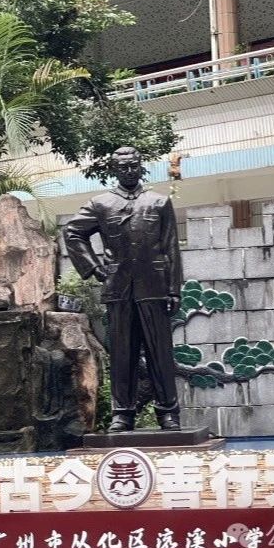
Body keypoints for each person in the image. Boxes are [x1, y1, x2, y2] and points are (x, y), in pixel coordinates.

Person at [64, 147, 183, 432]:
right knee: (122, 354)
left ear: (141, 167)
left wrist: (174, 289)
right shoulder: (101, 204)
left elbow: (171, 248)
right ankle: (123, 413)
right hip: (118, 288)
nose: (129, 171)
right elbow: (73, 232)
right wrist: (94, 268)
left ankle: (168, 413)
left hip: (154, 287)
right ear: (114, 170)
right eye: (123, 167)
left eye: (133, 166)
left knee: (160, 353)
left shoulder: (159, 202)